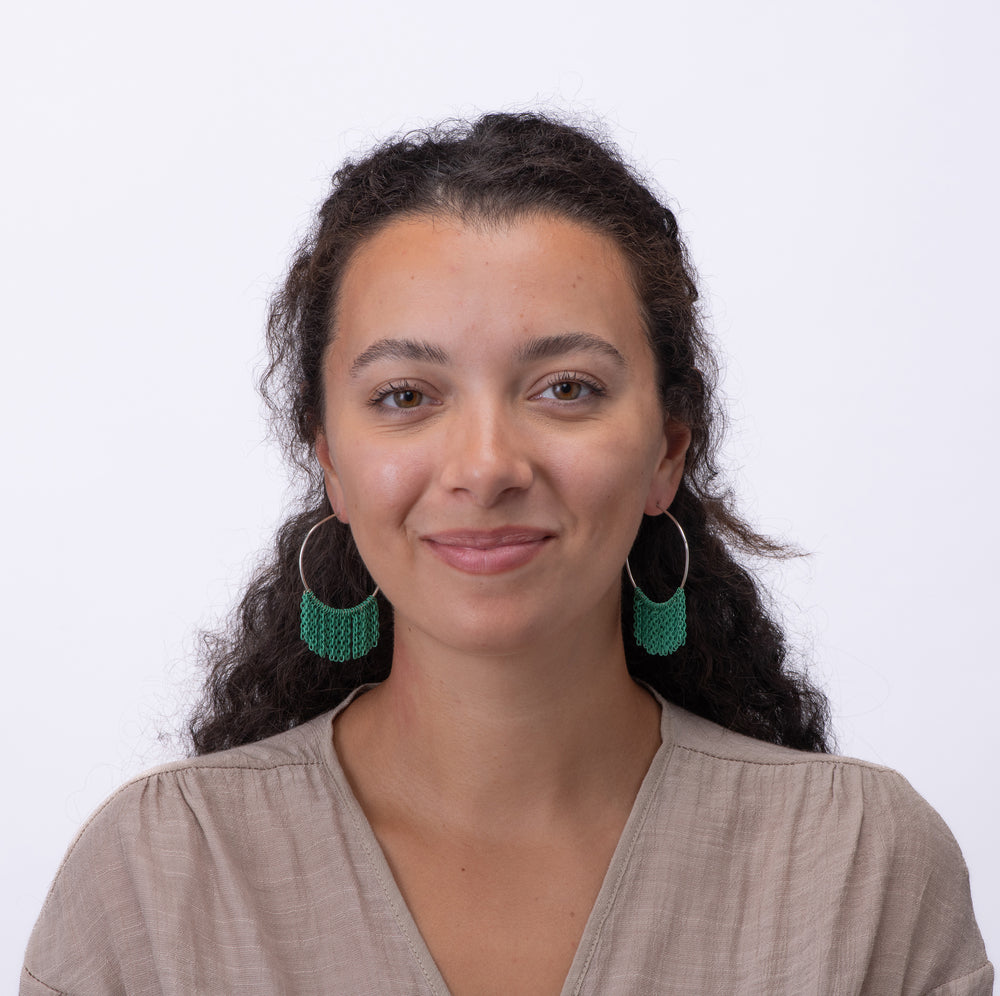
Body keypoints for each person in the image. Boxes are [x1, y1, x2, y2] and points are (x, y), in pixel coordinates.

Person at [22, 113, 991, 995]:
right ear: (330, 464)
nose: (485, 467)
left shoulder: (858, 869)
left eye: (565, 388)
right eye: (406, 395)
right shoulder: (154, 881)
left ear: (666, 452)